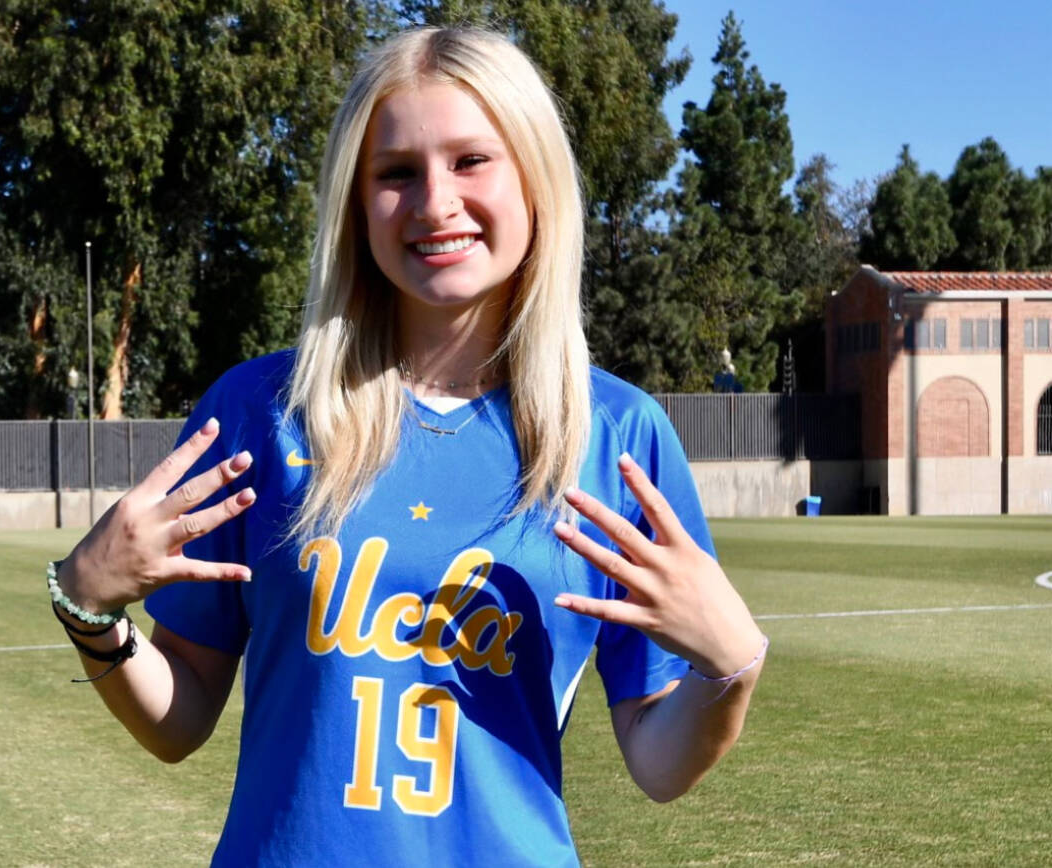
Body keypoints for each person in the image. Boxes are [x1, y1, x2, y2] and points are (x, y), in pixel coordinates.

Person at [47, 26, 767, 867]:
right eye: (396, 173)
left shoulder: (615, 435)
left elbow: (656, 759)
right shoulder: (256, 414)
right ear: (356, 202)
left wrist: (731, 671)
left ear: (535, 176)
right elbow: (181, 717)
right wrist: (87, 605)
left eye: (471, 161)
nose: (434, 203)